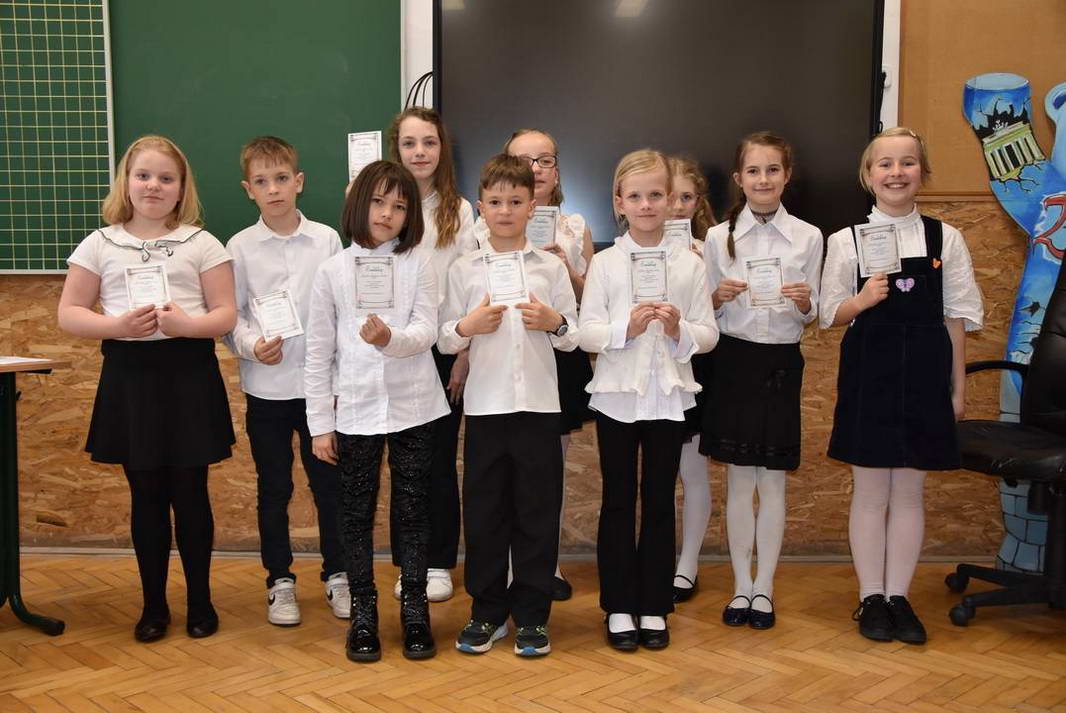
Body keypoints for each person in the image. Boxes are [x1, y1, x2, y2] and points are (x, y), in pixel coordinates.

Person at [57, 135, 236, 642]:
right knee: (147, 496)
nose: (153, 186)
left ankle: (200, 603)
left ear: (181, 188)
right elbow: (69, 313)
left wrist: (187, 326)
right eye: (143, 175)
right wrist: (117, 326)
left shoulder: (202, 243)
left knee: (191, 493)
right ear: (127, 182)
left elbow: (226, 313)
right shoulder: (100, 243)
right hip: (131, 378)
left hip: (189, 375)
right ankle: (154, 606)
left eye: (165, 178)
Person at [821, 127, 983, 645]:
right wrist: (862, 300)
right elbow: (830, 314)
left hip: (925, 381)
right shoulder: (845, 241)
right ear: (868, 176)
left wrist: (957, 392)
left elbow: (956, 320)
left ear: (922, 173)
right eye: (885, 164)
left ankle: (899, 596)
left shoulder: (945, 238)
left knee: (910, 493)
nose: (896, 173)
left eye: (907, 163)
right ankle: (871, 597)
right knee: (871, 493)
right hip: (870, 378)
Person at [306, 160, 448, 661]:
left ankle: (415, 611)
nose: (387, 213)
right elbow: (318, 352)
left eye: (400, 205)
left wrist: (390, 339)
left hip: (415, 405)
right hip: (355, 409)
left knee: (413, 511)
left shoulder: (420, 263)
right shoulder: (332, 271)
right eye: (379, 202)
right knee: (355, 513)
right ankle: (363, 613)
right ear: (358, 203)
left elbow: (427, 330)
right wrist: (320, 425)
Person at [439, 154, 579, 657]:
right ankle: (487, 611)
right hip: (486, 409)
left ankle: (533, 616)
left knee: (537, 513)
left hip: (539, 408)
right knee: (485, 514)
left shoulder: (550, 268)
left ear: (531, 206)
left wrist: (555, 322)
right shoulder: (463, 269)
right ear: (481, 207)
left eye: (515, 201)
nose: (505, 211)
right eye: (495, 202)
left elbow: (574, 335)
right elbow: (444, 336)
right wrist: (466, 328)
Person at [579, 149, 718, 651]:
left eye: (656, 195)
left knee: (660, 500)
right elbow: (586, 332)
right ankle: (619, 605)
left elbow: (710, 333)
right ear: (619, 202)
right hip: (617, 399)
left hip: (668, 399)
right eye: (635, 196)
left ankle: (654, 604)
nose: (646, 205)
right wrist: (627, 328)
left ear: (670, 199)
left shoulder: (690, 265)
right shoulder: (604, 264)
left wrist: (681, 329)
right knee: (618, 500)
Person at [223, 136, 348, 627]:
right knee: (273, 488)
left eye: (281, 179)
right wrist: (252, 345)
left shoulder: (327, 240)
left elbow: (340, 311)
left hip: (321, 392)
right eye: (261, 181)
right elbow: (232, 316)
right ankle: (279, 581)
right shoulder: (238, 247)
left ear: (299, 182)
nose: (272, 189)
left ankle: (338, 574)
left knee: (330, 488)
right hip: (267, 390)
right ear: (248, 190)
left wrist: (338, 382)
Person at [702, 133, 823, 629]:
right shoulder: (717, 238)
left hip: (780, 363)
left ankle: (765, 588)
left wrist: (805, 303)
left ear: (787, 176)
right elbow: (703, 312)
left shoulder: (809, 237)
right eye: (753, 171)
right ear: (739, 179)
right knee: (738, 480)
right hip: (733, 361)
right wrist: (717, 298)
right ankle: (740, 586)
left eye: (773, 170)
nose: (763, 179)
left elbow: (814, 313)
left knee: (772, 482)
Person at [474, 127, 595, 601]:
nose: (534, 169)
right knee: (498, 481)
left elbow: (587, 303)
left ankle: (547, 565)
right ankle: (504, 571)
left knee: (546, 472)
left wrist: (566, 269)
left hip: (551, 353)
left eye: (544, 160)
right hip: (495, 364)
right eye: (523, 160)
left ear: (555, 171)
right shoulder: (479, 234)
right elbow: (464, 308)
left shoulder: (574, 225)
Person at [387, 107, 478, 602]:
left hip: (444, 350)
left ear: (442, 150)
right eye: (409, 143)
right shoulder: (382, 206)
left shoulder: (459, 211)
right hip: (395, 349)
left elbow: (469, 288)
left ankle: (439, 560)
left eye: (429, 142)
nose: (419, 152)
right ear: (396, 149)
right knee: (406, 463)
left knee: (439, 460)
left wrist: (463, 354)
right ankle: (410, 562)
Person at [665, 155, 718, 603]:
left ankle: (688, 564)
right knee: (659, 471)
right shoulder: (632, 253)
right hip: (652, 370)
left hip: (697, 367)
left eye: (686, 197)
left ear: (698, 201)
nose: (677, 206)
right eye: (670, 196)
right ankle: (660, 556)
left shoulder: (710, 250)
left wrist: (710, 281)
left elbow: (713, 321)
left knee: (692, 468)